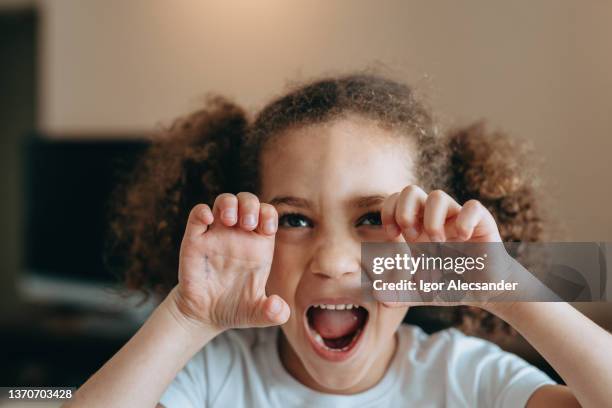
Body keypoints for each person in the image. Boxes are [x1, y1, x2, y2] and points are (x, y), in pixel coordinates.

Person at [68, 74, 611, 407]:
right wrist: (187, 319)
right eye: (295, 221)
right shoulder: (217, 374)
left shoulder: (466, 378)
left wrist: (508, 290)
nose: (332, 261)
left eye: (372, 217)